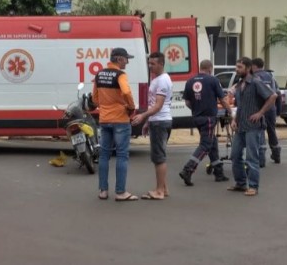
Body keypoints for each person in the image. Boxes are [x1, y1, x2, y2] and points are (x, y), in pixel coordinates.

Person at [93, 47, 138, 201]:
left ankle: (103, 191)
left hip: (104, 120)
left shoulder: (99, 74)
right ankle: (120, 192)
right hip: (120, 120)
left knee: (104, 155)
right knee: (122, 155)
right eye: (126, 59)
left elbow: (95, 99)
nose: (127, 61)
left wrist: (106, 105)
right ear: (119, 59)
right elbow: (126, 92)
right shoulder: (121, 75)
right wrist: (131, 106)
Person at [178, 59, 232, 186]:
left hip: (197, 117)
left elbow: (187, 102)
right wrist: (230, 111)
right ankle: (188, 169)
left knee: (212, 143)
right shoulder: (213, 80)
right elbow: (222, 99)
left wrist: (197, 109)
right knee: (205, 145)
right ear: (210, 69)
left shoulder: (190, 81)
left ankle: (219, 173)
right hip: (208, 118)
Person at [228, 57, 277, 196]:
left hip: (253, 126)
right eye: (236, 67)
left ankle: (253, 186)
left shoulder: (255, 82)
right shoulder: (239, 84)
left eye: (239, 67)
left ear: (248, 68)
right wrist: (234, 120)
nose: (236, 70)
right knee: (235, 155)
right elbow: (239, 106)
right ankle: (241, 183)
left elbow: (272, 96)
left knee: (251, 157)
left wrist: (260, 113)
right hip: (240, 125)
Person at [131, 52, 172, 200]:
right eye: (149, 63)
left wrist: (143, 116)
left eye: (153, 64)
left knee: (159, 157)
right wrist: (148, 122)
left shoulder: (161, 81)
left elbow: (158, 105)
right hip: (158, 121)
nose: (150, 66)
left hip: (160, 121)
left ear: (161, 63)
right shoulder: (159, 79)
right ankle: (163, 188)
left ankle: (159, 191)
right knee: (158, 156)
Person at [252, 58, 282, 165]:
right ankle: (276, 153)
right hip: (271, 108)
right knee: (271, 130)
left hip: (259, 108)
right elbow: (278, 94)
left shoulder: (254, 77)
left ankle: (261, 159)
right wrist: (278, 110)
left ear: (254, 66)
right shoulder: (271, 77)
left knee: (260, 131)